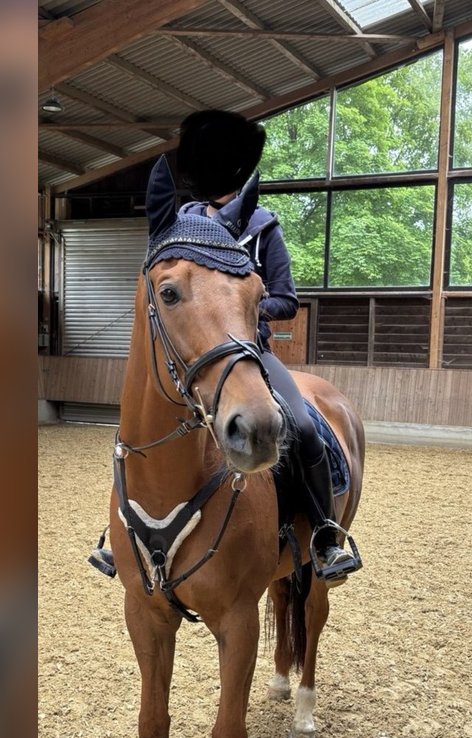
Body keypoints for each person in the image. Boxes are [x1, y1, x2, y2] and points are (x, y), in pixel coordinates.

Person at [178, 110, 362, 584]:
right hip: (193, 356)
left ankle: (324, 535)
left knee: (304, 426)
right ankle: (125, 532)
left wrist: (248, 303)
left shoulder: (262, 227)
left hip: (249, 355)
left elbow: (287, 299)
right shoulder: (183, 223)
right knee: (143, 425)